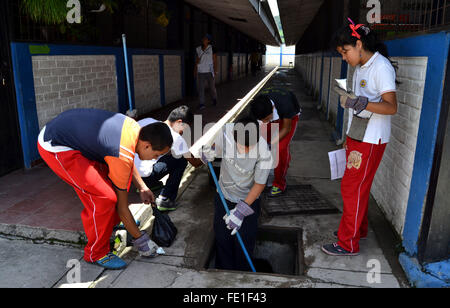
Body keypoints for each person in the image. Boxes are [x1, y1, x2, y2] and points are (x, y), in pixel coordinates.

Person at [37, 108, 173, 269]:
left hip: (71, 134)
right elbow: (123, 207)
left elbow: (126, 159)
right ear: (147, 146)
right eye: (156, 155)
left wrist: (142, 187)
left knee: (111, 185)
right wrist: (141, 240)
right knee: (104, 197)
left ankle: (112, 221)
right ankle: (96, 253)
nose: (155, 159)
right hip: (56, 145)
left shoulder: (136, 130)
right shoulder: (121, 152)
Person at [321, 19, 398, 256]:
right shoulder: (361, 67)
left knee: (351, 188)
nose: (345, 58)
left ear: (359, 44)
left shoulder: (381, 67)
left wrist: (364, 103)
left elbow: (391, 107)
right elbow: (357, 105)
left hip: (371, 139)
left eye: (345, 52)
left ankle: (348, 243)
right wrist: (348, 135)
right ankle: (357, 230)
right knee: (357, 187)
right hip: (358, 135)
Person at [202, 116, 273, 271]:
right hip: (224, 196)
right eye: (241, 146)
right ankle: (223, 274)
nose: (244, 151)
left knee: (245, 242)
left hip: (249, 200)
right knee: (222, 238)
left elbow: (259, 184)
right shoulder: (226, 132)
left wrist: (241, 211)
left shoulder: (264, 153)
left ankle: (242, 275)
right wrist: (210, 152)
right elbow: (215, 148)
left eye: (249, 147)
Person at [134, 106, 204, 212]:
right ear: (179, 122)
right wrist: (208, 154)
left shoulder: (148, 121)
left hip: (132, 176)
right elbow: (195, 163)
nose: (184, 132)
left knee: (166, 155)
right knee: (181, 159)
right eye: (185, 128)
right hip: (146, 176)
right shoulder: (175, 137)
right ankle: (166, 198)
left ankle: (149, 184)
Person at [250, 87, 301, 197]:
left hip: (289, 119)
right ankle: (260, 180)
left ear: (272, 109)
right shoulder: (258, 105)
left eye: (267, 119)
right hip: (271, 114)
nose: (264, 122)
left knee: (279, 149)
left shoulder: (286, 104)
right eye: (262, 120)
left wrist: (271, 143)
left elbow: (286, 129)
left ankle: (279, 183)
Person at [194, 33, 218, 111]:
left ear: (208, 41)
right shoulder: (198, 49)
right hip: (201, 71)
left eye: (206, 39)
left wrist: (215, 70)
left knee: (212, 87)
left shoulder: (212, 48)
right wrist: (195, 70)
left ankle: (214, 98)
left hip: (209, 71)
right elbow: (197, 60)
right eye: (203, 38)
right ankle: (202, 103)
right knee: (201, 88)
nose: (204, 40)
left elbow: (215, 60)